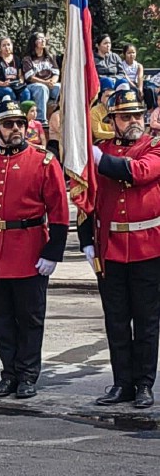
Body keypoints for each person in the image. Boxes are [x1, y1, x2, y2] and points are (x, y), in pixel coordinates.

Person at [0, 97, 69, 399]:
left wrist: (52, 252)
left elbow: (59, 212)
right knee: (2, 319)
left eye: (20, 123)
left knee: (30, 318)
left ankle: (29, 375)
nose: (17, 128)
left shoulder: (43, 161)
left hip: (30, 251)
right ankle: (9, 374)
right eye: (9, 124)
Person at [79, 84, 160, 409]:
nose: (133, 121)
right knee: (116, 320)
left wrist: (98, 159)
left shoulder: (154, 147)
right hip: (110, 249)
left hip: (148, 249)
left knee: (146, 320)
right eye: (125, 117)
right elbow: (85, 199)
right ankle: (121, 383)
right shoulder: (103, 150)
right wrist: (86, 241)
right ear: (112, 121)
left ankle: (144, 384)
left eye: (137, 115)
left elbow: (139, 172)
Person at [22, 32, 60, 125]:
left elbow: (56, 73)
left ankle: (57, 115)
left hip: (49, 84)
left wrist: (53, 81)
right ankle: (41, 120)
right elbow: (30, 77)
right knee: (42, 88)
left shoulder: (50, 57)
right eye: (40, 38)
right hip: (33, 85)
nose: (43, 40)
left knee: (60, 87)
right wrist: (45, 83)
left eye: (44, 38)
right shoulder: (28, 59)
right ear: (34, 42)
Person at [0, 36, 31, 102]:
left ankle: (24, 111)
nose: (7, 47)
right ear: (0, 48)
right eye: (4, 45)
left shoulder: (17, 59)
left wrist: (21, 81)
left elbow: (20, 75)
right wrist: (2, 83)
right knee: (9, 92)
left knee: (26, 92)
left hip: (15, 86)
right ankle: (14, 111)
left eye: (8, 44)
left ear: (12, 46)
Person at [90, 77, 116, 142]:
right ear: (101, 97)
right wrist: (116, 135)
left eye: (113, 96)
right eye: (107, 96)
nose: (110, 98)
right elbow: (97, 133)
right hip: (100, 143)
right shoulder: (95, 111)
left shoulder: (119, 109)